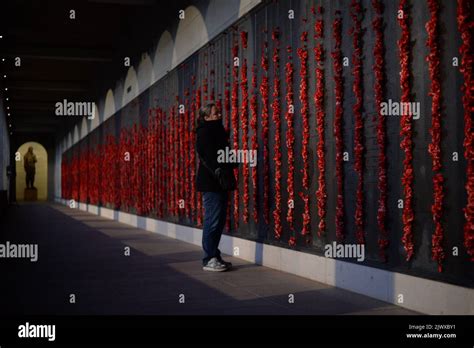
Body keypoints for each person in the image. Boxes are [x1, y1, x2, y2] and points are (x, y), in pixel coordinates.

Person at [196, 103, 238, 272]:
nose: (219, 115)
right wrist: (219, 167)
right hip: (211, 183)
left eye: (219, 112)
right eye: (215, 113)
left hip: (220, 182)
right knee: (212, 221)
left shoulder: (219, 132)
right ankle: (208, 259)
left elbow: (224, 154)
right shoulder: (205, 132)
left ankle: (215, 255)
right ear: (206, 117)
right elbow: (207, 156)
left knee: (219, 222)